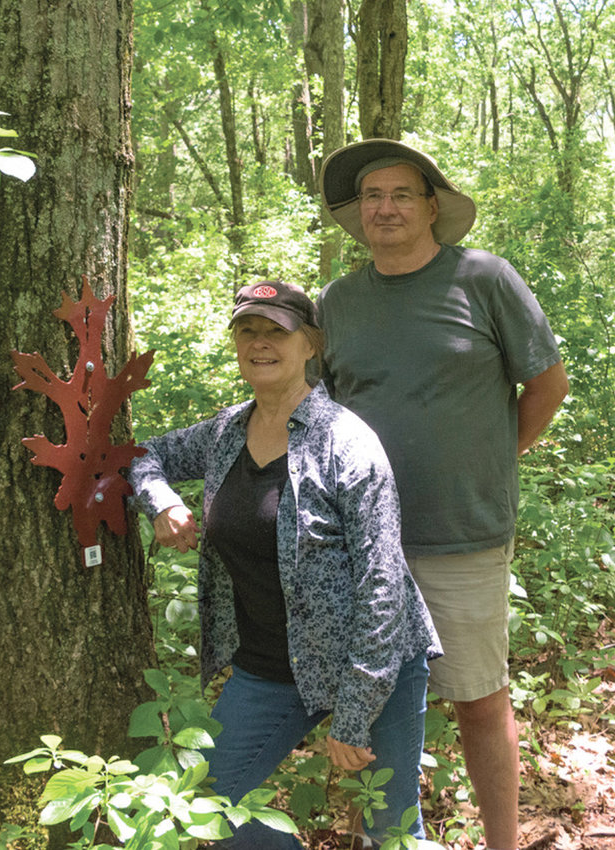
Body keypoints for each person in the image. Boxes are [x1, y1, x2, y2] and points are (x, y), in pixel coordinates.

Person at [317, 139, 569, 850]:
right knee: (368, 702)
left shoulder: (483, 279)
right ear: (356, 213)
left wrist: (490, 457)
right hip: (363, 542)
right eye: (371, 196)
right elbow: (321, 416)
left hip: (462, 531)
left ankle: (501, 843)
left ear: (432, 206)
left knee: (477, 700)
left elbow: (546, 385)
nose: (385, 207)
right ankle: (382, 836)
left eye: (401, 194)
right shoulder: (337, 302)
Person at [128, 280, 442, 849]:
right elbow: (146, 454)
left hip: (372, 665)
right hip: (270, 667)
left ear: (311, 344)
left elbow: (383, 584)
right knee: (204, 805)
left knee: (389, 827)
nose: (261, 343)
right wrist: (164, 500)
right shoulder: (226, 432)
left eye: (278, 330)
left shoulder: (346, 442)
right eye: (248, 330)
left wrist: (354, 711)